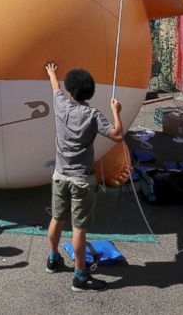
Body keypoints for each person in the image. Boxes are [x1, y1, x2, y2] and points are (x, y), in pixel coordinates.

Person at [43, 62, 123, 292]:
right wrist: (116, 111)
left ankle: (52, 259)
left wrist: (51, 72)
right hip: (81, 180)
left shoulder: (60, 105)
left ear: (71, 90)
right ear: (90, 93)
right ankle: (80, 277)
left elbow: (55, 88)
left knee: (57, 219)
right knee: (78, 229)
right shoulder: (93, 115)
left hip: (60, 176)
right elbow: (117, 135)